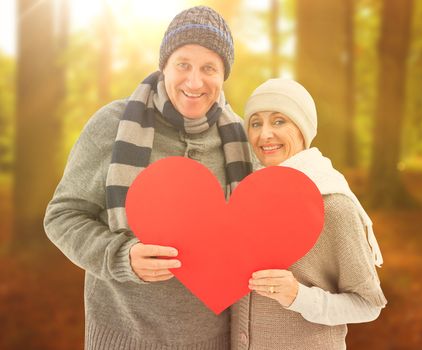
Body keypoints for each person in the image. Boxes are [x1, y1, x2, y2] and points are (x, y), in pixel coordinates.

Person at [43, 6, 253, 349]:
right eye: (183, 64)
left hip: (213, 339)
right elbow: (62, 216)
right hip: (124, 336)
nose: (195, 81)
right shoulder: (112, 125)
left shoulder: (241, 142)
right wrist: (121, 256)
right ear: (164, 66)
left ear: (223, 75)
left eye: (209, 68)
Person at [232, 78, 386, 349]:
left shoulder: (333, 204)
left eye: (279, 121)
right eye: (256, 123)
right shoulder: (243, 197)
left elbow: (368, 304)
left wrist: (297, 296)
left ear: (302, 128)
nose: (264, 134)